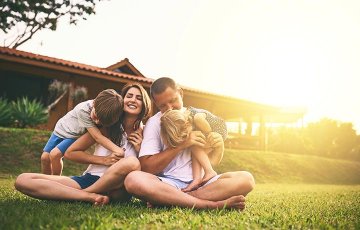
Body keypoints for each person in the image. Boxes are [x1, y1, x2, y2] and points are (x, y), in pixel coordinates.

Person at [124, 77, 255, 210]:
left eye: (173, 101)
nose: (169, 108)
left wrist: (219, 145)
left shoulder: (198, 117)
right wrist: (183, 144)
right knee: (133, 179)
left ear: (180, 93)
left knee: (246, 179)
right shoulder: (154, 123)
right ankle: (211, 204)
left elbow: (210, 160)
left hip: (204, 183)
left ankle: (175, 199)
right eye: (162, 106)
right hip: (169, 184)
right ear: (156, 104)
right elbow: (147, 167)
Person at [15, 83, 152, 205]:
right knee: (23, 180)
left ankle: (84, 193)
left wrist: (140, 149)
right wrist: (103, 160)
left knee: (131, 162)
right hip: (91, 178)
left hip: (120, 187)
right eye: (129, 96)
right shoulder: (106, 126)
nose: (133, 100)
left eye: (139, 98)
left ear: (145, 104)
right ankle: (87, 196)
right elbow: (71, 153)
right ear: (122, 101)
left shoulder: (146, 132)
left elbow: (149, 170)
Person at [41, 89, 125, 176]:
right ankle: (43, 181)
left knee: (55, 155)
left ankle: (54, 180)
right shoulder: (83, 110)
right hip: (60, 129)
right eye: (95, 116)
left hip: (72, 135)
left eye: (100, 122)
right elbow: (97, 137)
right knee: (45, 158)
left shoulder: (101, 109)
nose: (96, 122)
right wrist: (117, 150)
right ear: (94, 103)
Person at [160, 107, 227, 192]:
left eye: (185, 135)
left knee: (195, 146)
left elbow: (203, 123)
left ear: (187, 124)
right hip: (211, 131)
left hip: (218, 130)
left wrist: (208, 135)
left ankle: (209, 172)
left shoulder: (196, 117)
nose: (186, 138)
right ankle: (197, 179)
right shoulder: (188, 120)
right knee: (195, 149)